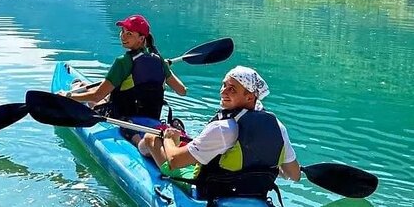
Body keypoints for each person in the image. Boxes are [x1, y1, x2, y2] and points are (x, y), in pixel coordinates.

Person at [139, 65, 300, 206]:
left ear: (250, 97)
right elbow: (294, 175)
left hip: (212, 190)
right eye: (224, 85)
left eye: (232, 89)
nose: (223, 91)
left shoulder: (223, 128)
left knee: (149, 138)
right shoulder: (278, 127)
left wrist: (169, 139)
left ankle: (136, 142)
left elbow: (175, 161)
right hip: (255, 193)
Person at [59, 14, 187, 145]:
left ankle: (76, 87)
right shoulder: (159, 61)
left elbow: (97, 96)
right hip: (152, 121)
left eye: (129, 34)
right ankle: (80, 85)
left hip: (121, 120)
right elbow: (182, 91)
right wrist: (165, 67)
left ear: (141, 38)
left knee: (93, 98)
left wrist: (67, 97)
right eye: (122, 32)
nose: (123, 36)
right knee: (104, 93)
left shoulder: (123, 62)